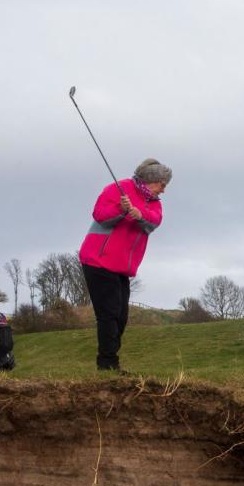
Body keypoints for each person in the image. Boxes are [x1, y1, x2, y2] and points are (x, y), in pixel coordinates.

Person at [78, 158, 171, 370]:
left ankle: (108, 362)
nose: (164, 190)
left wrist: (140, 214)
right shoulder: (117, 189)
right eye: (162, 184)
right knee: (108, 314)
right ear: (150, 179)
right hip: (98, 260)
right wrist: (121, 208)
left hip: (122, 268)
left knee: (121, 317)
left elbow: (154, 221)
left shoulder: (155, 203)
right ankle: (108, 364)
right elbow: (100, 215)